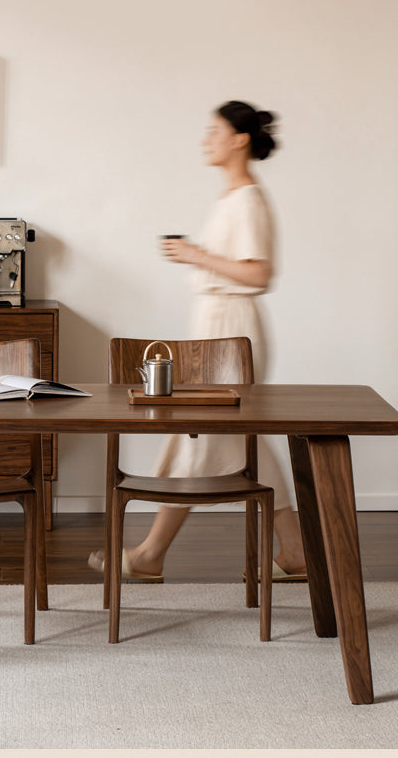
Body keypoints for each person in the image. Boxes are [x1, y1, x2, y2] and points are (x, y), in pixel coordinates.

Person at [89, 100, 307, 583]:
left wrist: (196, 255)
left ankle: (149, 553)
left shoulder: (248, 197)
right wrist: (197, 257)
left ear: (239, 139)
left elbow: (260, 272)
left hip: (231, 329)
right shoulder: (231, 197)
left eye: (215, 131)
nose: (206, 139)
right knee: (238, 437)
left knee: (199, 433)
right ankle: (295, 550)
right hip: (217, 326)